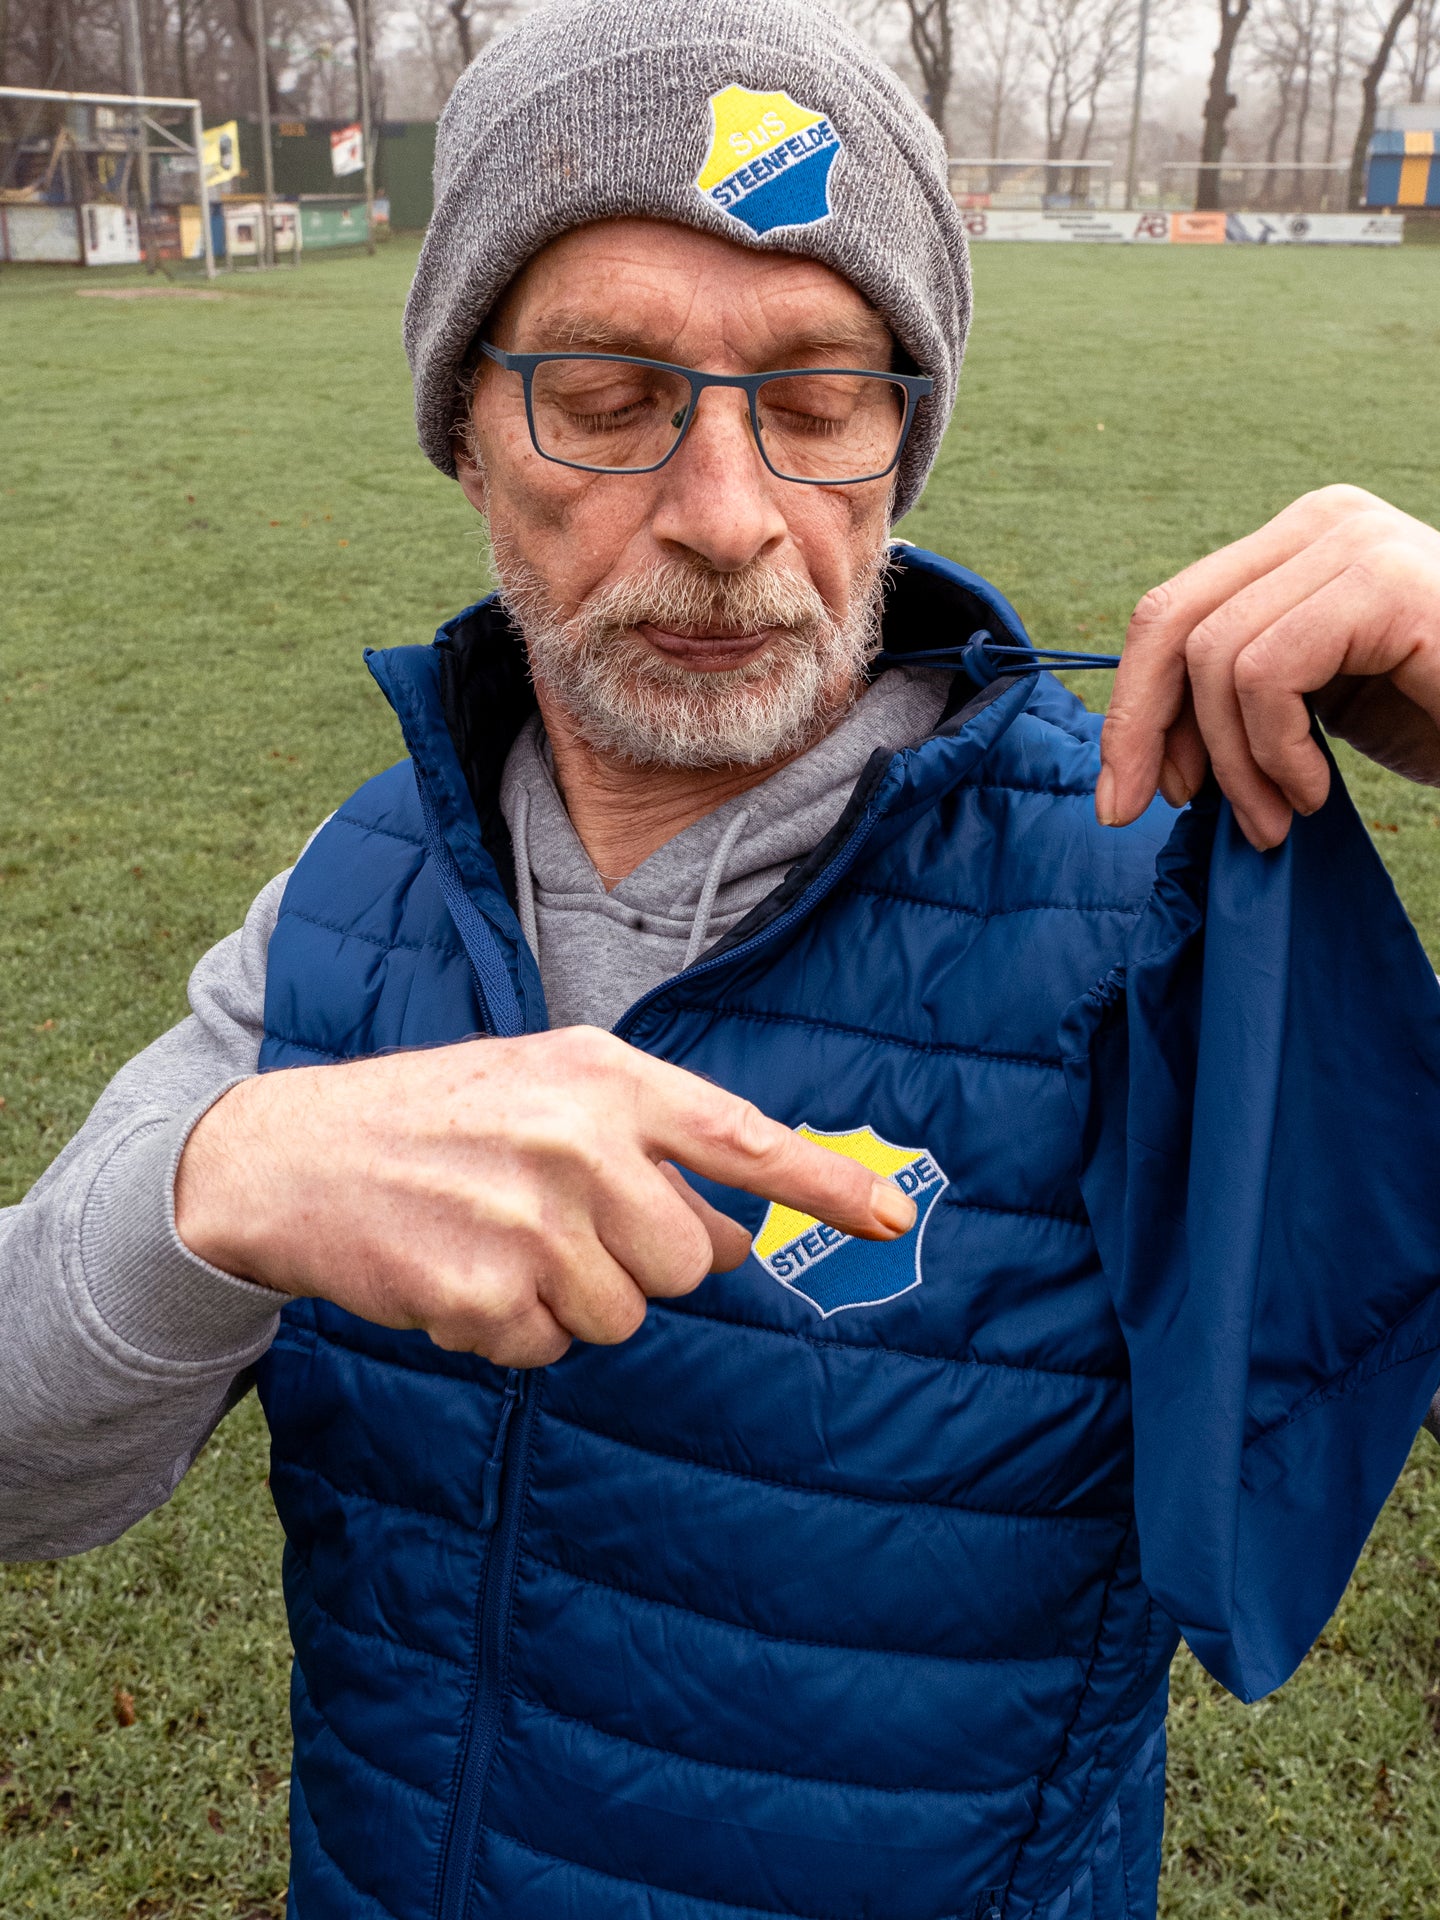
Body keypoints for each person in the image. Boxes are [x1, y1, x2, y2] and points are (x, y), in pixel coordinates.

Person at [4, 3, 1440, 1916]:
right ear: (461, 429)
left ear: (903, 441)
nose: (726, 514)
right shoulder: (347, 912)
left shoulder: (1143, 890)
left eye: (819, 400)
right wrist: (219, 1183)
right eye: (605, 398)